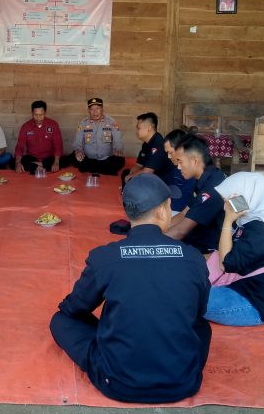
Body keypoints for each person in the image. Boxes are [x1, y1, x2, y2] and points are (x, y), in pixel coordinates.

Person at [50, 173, 211, 403]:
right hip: (183, 382)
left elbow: (73, 309)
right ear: (162, 211)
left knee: (60, 320)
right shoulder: (193, 258)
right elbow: (198, 312)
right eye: (169, 206)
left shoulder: (105, 257)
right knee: (201, 325)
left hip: (118, 384)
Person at [205, 172, 264, 326]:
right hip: (248, 289)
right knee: (186, 287)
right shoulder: (258, 219)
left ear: (245, 197)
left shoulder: (262, 230)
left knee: (184, 297)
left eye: (228, 199)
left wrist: (228, 219)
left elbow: (226, 263)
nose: (225, 204)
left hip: (253, 304)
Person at [166, 134, 226, 254]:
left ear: (194, 161)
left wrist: (150, 243)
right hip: (197, 237)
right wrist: (158, 230)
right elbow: (184, 213)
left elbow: (181, 231)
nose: (178, 167)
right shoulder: (205, 177)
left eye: (180, 162)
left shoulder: (212, 188)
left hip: (209, 248)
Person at [70, 98, 125, 175]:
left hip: (106, 159)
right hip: (88, 158)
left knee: (120, 160)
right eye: (92, 109)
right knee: (74, 156)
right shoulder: (83, 123)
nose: (95, 112)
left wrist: (118, 149)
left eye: (97, 108)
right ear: (88, 111)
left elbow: (118, 140)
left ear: (102, 109)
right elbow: (78, 142)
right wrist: (78, 150)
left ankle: (90, 168)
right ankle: (105, 170)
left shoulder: (112, 122)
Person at [120, 112, 172, 188]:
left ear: (149, 128)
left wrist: (129, 178)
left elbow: (148, 171)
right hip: (150, 175)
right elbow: (138, 165)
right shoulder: (146, 143)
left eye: (139, 128)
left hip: (161, 180)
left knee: (132, 178)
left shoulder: (158, 144)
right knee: (126, 173)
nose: (137, 131)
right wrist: (130, 175)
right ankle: (128, 190)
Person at [14, 100, 66, 174]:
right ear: (32, 113)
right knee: (14, 162)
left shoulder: (53, 124)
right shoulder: (26, 126)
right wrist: (18, 163)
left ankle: (36, 166)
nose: (38, 118)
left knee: (65, 160)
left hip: (49, 157)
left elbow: (58, 144)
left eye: (41, 115)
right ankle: (42, 166)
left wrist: (56, 162)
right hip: (32, 157)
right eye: (35, 115)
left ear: (45, 113)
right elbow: (20, 146)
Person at [163, 129, 196, 213]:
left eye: (170, 152)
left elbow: (181, 203)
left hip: (182, 213)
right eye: (167, 153)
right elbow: (164, 182)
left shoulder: (192, 172)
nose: (169, 157)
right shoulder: (175, 169)